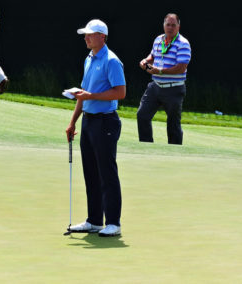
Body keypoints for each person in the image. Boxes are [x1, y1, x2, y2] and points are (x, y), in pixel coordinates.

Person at [65, 19, 126, 237]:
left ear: (102, 36)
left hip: (106, 121)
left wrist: (92, 96)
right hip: (89, 121)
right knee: (90, 172)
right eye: (85, 34)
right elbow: (84, 91)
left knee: (107, 172)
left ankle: (113, 223)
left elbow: (120, 92)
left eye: (90, 34)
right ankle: (94, 220)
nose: (86, 37)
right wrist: (73, 122)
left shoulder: (112, 61)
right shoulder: (89, 59)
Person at [137, 13, 191, 145]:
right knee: (142, 115)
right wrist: (146, 60)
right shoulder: (158, 39)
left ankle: (174, 153)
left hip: (174, 88)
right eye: (168, 24)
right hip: (155, 86)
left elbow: (181, 68)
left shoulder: (183, 44)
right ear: (163, 25)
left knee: (173, 124)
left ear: (178, 26)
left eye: (173, 25)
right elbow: (153, 55)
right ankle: (146, 147)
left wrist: (160, 71)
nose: (170, 28)